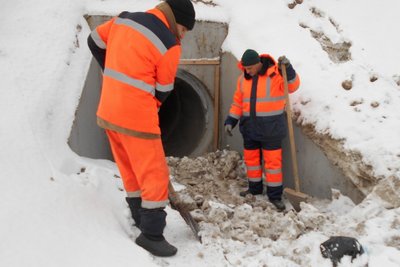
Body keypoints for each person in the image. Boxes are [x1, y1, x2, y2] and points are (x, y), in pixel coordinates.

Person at [87, 0, 196, 257]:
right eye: (184, 29)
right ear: (175, 19)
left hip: (109, 110)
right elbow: (165, 88)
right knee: (154, 173)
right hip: (137, 115)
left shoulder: (125, 19)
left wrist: (112, 73)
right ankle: (152, 234)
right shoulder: (170, 44)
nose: (183, 34)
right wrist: (151, 102)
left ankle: (139, 215)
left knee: (129, 166)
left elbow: (94, 41)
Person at [224, 49, 300, 211]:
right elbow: (238, 102)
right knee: (251, 161)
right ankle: (255, 189)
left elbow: (293, 86)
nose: (247, 71)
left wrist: (289, 69)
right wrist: (231, 120)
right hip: (250, 128)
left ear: (258, 64)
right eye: (245, 68)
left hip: (271, 128)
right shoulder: (242, 80)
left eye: (250, 68)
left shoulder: (276, 75)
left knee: (273, 164)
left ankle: (275, 196)